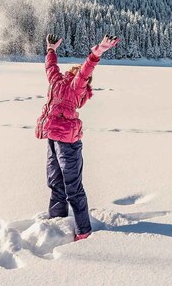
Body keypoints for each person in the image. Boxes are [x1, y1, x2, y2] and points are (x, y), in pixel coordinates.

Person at [35, 33, 119, 241]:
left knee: (73, 187)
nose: (74, 69)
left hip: (68, 143)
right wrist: (51, 50)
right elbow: (51, 68)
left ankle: (83, 231)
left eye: (78, 71)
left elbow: (86, 70)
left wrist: (96, 53)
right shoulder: (57, 82)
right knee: (55, 181)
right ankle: (57, 219)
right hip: (52, 138)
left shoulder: (77, 86)